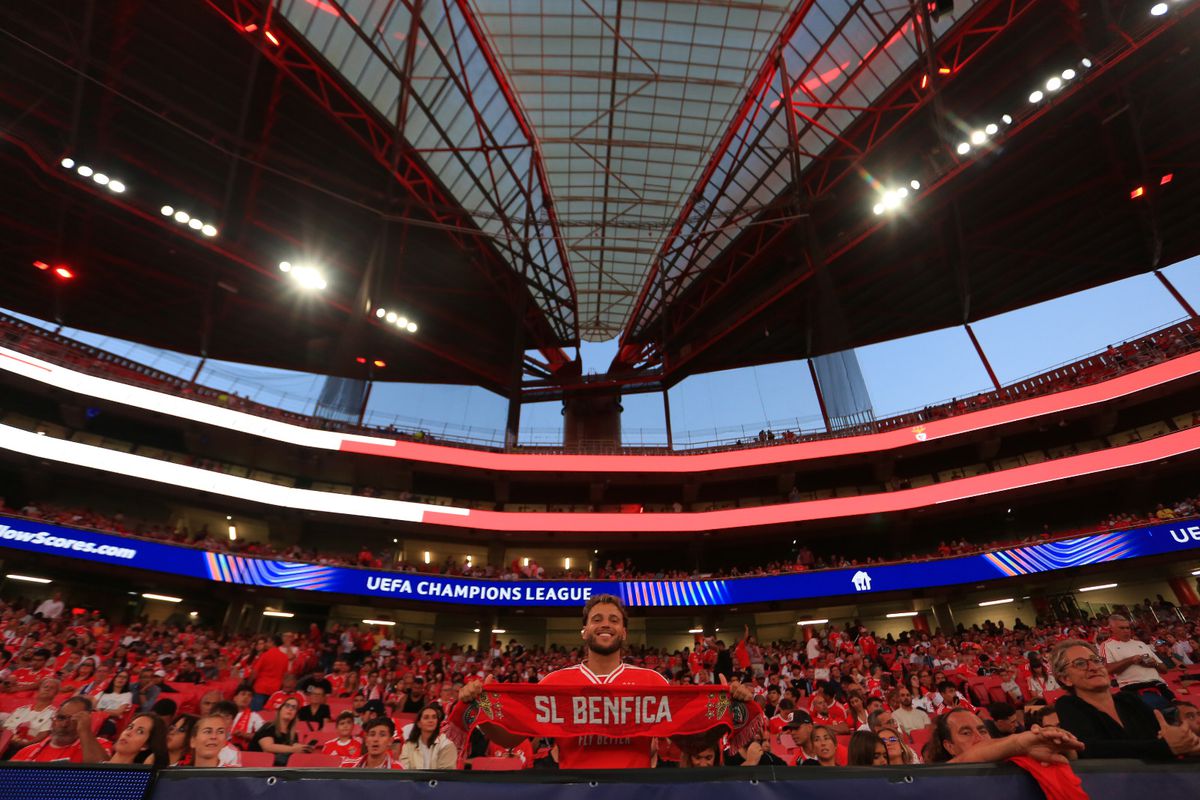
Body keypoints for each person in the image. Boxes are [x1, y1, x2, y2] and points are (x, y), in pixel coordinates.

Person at [457, 593, 753, 769]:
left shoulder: (653, 681)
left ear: (624, 632)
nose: (605, 625)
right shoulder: (554, 682)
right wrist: (480, 706)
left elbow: (690, 744)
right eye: (597, 619)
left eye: (614, 620)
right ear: (584, 630)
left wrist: (729, 706)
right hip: (572, 790)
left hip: (636, 791)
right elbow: (509, 738)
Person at [1049, 639, 1200, 759]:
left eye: (1095, 660)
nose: (1093, 667)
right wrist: (1163, 746)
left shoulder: (1128, 700)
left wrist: (1186, 742)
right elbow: (1090, 748)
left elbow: (1167, 738)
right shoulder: (1068, 705)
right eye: (1080, 663)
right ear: (1066, 679)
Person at [926, 707, 1084, 764]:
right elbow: (969, 757)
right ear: (949, 746)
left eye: (982, 731)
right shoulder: (941, 779)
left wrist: (1063, 748)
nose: (979, 738)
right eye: (966, 733)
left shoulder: (1015, 764)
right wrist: (1020, 742)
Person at [1099, 615, 1173, 710]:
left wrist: (1153, 663)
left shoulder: (1140, 644)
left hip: (1160, 686)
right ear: (1111, 629)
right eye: (1122, 628)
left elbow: (1164, 670)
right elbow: (1107, 669)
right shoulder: (1106, 645)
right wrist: (1131, 660)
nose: (1126, 630)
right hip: (1134, 687)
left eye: (1128, 627)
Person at [11, 696, 104, 762]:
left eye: (74, 719)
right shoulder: (27, 751)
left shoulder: (101, 744)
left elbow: (101, 776)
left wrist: (85, 731)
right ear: (53, 719)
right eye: (61, 717)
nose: (64, 724)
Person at [2, 677, 60, 752]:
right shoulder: (21, 709)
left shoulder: (54, 714)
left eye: (52, 688)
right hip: (5, 741)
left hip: (26, 748)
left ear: (56, 693)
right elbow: (5, 727)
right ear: (39, 690)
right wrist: (10, 738)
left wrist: (24, 744)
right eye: (45, 687)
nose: (47, 689)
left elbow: (42, 736)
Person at [251, 697, 313, 765]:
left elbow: (293, 748)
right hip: (257, 767)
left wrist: (302, 748)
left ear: (295, 714)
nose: (290, 709)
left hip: (279, 770)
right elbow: (267, 747)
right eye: (287, 706)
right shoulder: (268, 727)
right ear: (280, 710)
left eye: (294, 707)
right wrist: (293, 749)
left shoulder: (293, 734)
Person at [399, 704, 457, 769]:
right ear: (419, 724)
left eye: (434, 717)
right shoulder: (408, 745)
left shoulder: (447, 745)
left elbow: (445, 775)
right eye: (426, 717)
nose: (431, 720)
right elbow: (404, 771)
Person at [104, 713, 169, 765]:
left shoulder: (134, 779)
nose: (128, 733)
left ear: (145, 745)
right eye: (130, 727)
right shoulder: (96, 766)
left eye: (140, 731)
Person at [249, 635, 292, 710]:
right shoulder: (284, 657)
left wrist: (249, 684)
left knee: (254, 713)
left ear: (272, 642)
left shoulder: (265, 655)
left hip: (260, 688)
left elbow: (254, 672)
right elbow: (285, 675)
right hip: (275, 690)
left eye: (267, 642)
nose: (265, 644)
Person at [229, 684, 264, 750]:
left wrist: (245, 735)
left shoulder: (255, 716)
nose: (246, 697)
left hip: (245, 750)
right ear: (235, 698)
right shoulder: (226, 714)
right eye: (243, 694)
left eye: (249, 695)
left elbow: (262, 737)